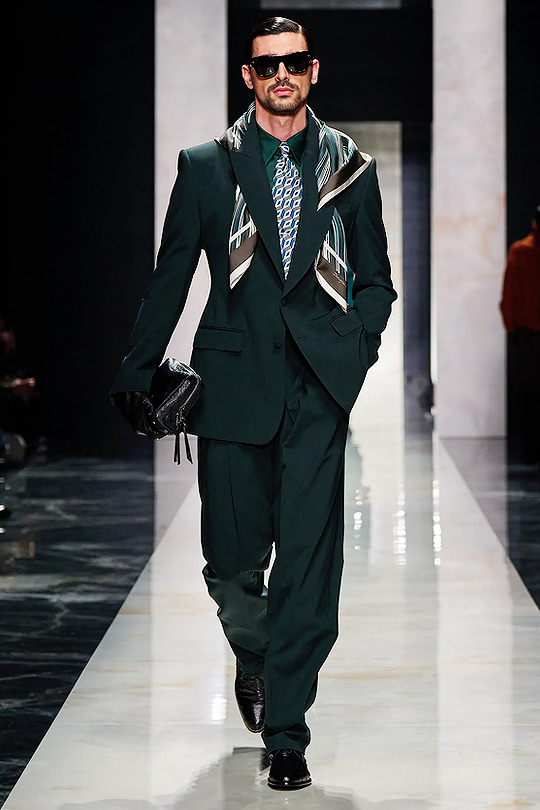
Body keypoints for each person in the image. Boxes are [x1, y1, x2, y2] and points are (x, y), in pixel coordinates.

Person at [111, 17, 396, 790]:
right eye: (267, 65)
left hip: (318, 390)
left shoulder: (351, 168)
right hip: (233, 388)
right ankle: (256, 653)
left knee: (309, 570)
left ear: (313, 71)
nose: (281, 75)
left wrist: (354, 349)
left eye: (294, 62)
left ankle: (288, 732)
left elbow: (375, 279)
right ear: (248, 76)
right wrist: (136, 372)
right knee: (233, 566)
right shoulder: (207, 167)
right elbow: (171, 276)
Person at [500, 206, 540, 466]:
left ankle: (530, 449)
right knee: (528, 392)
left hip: (528, 332)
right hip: (528, 332)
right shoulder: (521, 251)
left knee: (529, 392)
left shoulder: (521, 251)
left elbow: (509, 293)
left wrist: (511, 328)